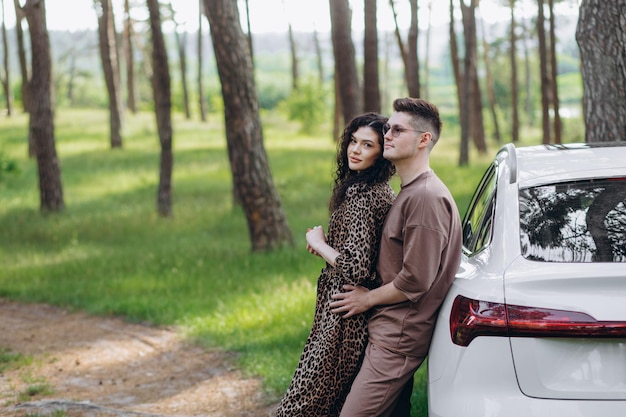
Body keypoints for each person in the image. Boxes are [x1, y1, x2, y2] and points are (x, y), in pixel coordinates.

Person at [330, 97, 463, 417]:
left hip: (398, 339)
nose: (387, 134)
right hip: (390, 331)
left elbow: (415, 279)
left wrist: (366, 299)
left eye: (398, 130)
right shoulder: (412, 189)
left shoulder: (425, 199)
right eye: (388, 128)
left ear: (423, 139)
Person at [274, 113, 396, 417]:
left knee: (303, 404)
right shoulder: (379, 188)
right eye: (353, 141)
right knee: (327, 401)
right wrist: (331, 246)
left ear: (381, 153)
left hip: (343, 316)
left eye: (367, 145)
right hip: (350, 312)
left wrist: (320, 245)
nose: (355, 150)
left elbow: (355, 267)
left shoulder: (361, 194)